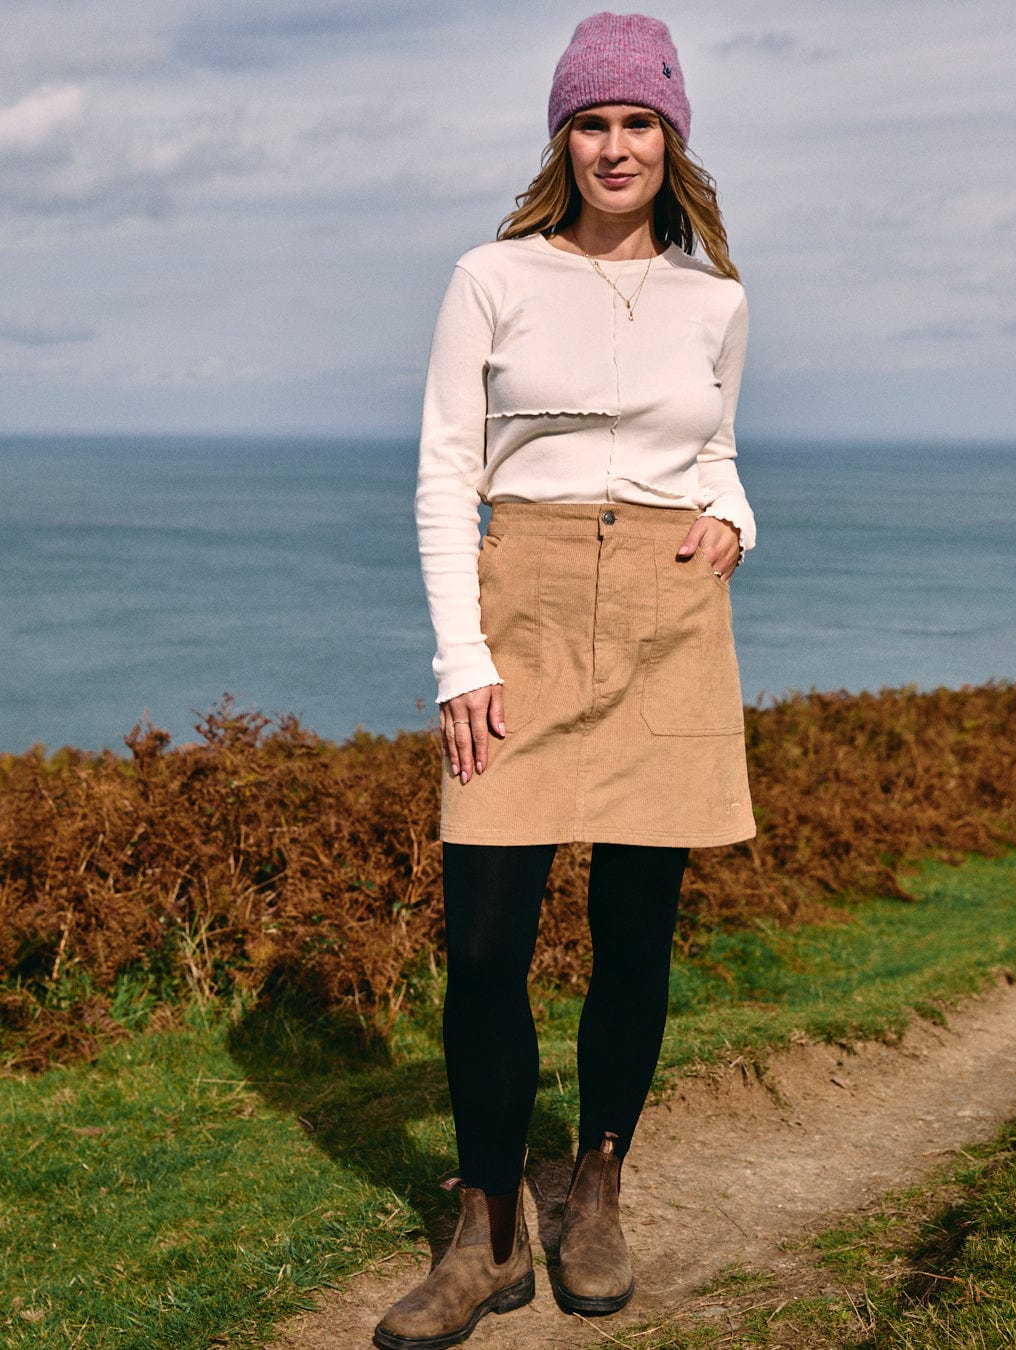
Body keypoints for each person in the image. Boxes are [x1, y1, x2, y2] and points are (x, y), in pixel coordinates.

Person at [374, 12, 756, 1349]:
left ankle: (594, 1183)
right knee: (481, 938)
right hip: (520, 607)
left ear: (672, 137)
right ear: (563, 136)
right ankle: (485, 1229)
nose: (614, 145)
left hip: (667, 612)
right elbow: (440, 470)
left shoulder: (717, 299)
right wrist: (460, 656)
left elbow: (712, 451)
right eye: (591, 122)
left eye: (637, 121)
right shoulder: (493, 277)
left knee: (635, 933)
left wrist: (737, 516)